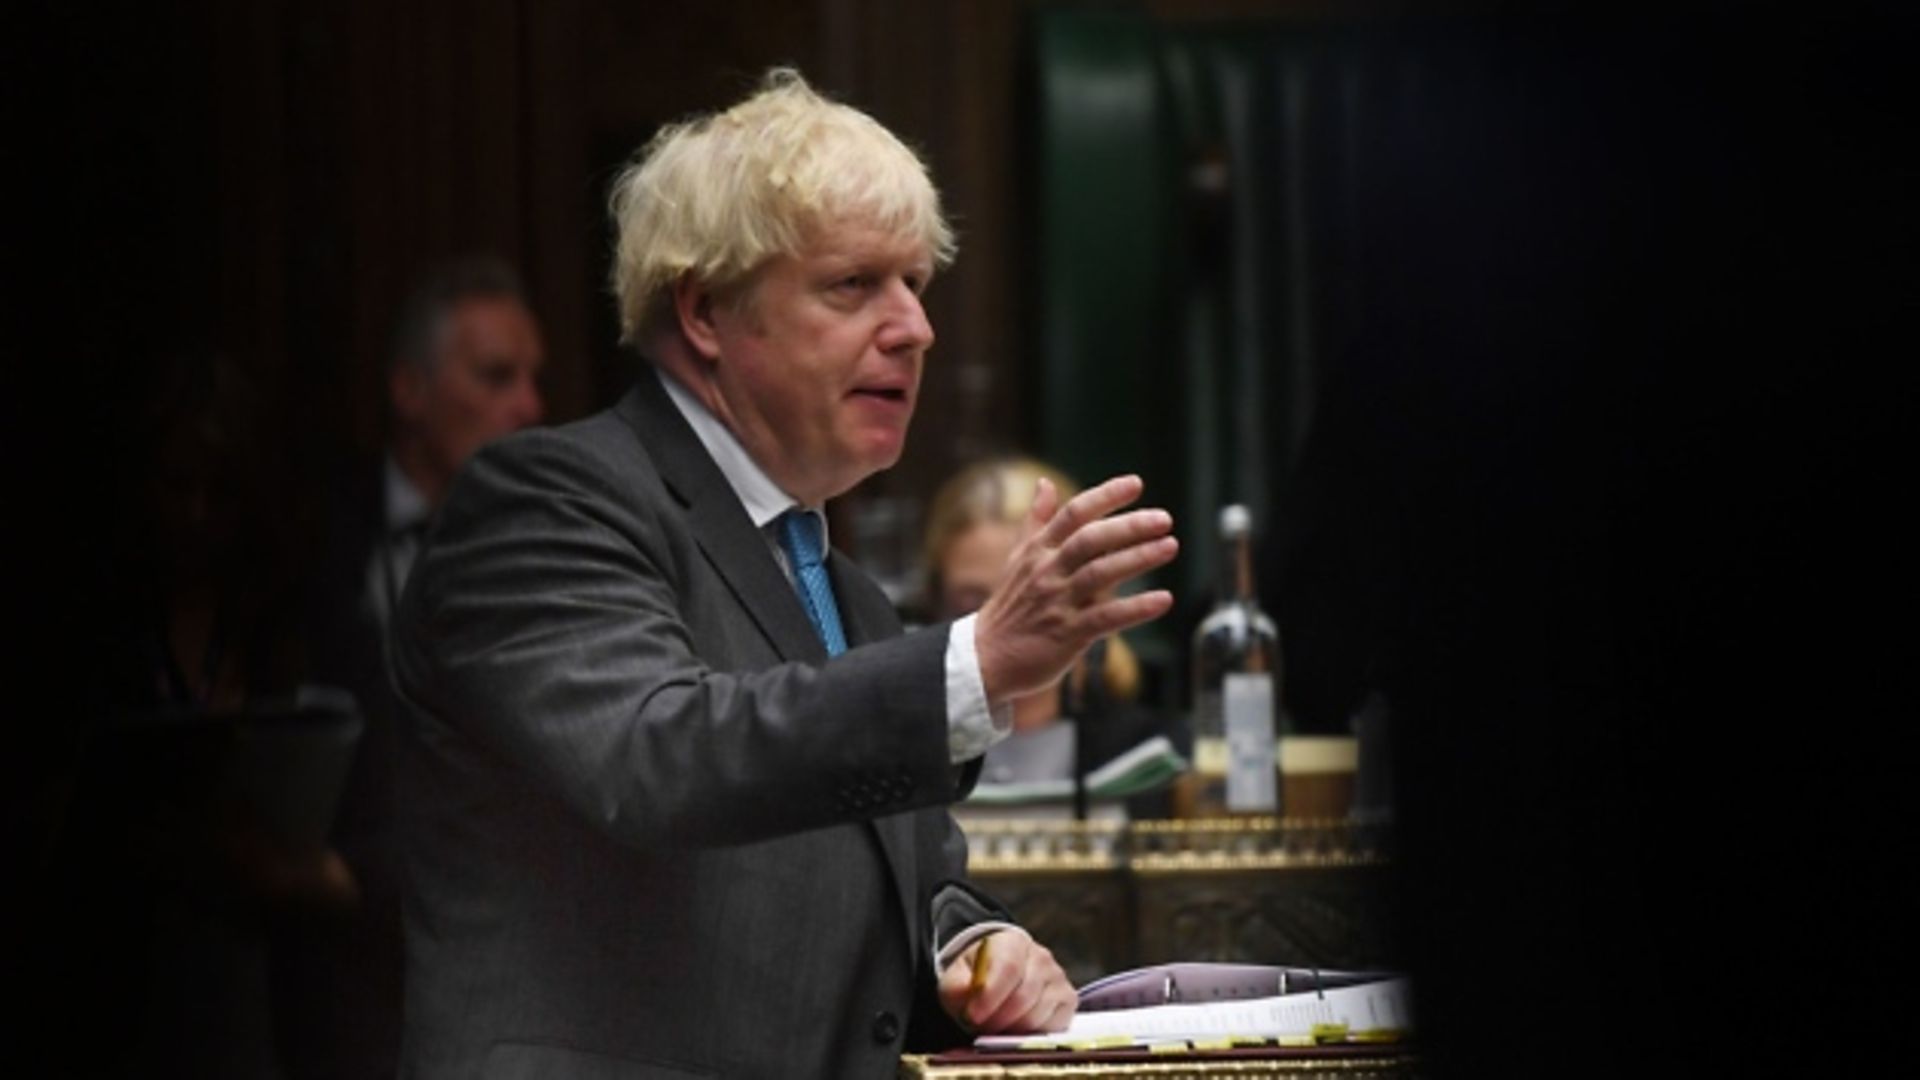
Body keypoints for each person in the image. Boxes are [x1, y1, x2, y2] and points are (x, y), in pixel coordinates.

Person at [388, 68, 1179, 1078]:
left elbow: (903, 879)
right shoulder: (545, 498)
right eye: (854, 285)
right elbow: (657, 757)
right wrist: (976, 660)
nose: (914, 328)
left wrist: (972, 945)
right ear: (708, 311)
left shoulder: (844, 592)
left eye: (917, 285)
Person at [283, 256, 546, 1079]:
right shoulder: (314, 537)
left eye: (534, 378)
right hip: (326, 972)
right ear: (410, 390)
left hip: (508, 967)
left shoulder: (553, 543)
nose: (530, 407)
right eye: (496, 376)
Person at [923, 456, 1170, 793]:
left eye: (1031, 601)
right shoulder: (904, 755)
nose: (1009, 625)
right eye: (972, 603)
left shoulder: (1150, 754)